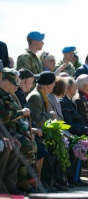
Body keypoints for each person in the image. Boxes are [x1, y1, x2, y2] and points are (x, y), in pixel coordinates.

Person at [60, 77, 88, 186]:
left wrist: (87, 129)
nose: (76, 89)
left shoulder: (70, 102)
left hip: (77, 132)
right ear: (69, 88)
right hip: (70, 133)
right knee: (78, 144)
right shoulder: (64, 103)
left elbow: (79, 121)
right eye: (75, 86)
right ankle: (72, 178)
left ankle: (76, 177)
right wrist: (85, 130)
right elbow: (69, 125)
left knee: (84, 143)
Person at [26, 71, 57, 186]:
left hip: (40, 132)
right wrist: (51, 115)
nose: (54, 85)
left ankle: (50, 181)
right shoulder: (35, 96)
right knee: (44, 149)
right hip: (34, 133)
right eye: (53, 83)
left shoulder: (41, 95)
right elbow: (37, 120)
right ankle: (39, 183)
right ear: (48, 85)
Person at [0, 62, 25, 195]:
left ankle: (9, 184)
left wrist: (6, 137)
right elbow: (3, 117)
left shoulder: (10, 95)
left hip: (4, 133)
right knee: (4, 145)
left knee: (13, 145)